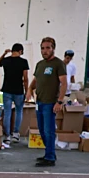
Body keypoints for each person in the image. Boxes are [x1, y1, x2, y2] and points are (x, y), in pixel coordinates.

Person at [26, 37, 67, 167]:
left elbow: (64, 83)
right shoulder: (40, 64)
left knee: (49, 131)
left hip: (50, 103)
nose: (45, 51)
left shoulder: (58, 64)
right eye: (43, 48)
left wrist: (59, 102)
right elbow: (36, 80)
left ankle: (50, 157)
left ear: (53, 48)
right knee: (42, 131)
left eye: (48, 48)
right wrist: (29, 89)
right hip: (40, 102)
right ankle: (49, 153)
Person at [0, 44, 29, 145]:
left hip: (6, 90)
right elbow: (25, 79)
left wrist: (4, 53)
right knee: (19, 111)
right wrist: (27, 91)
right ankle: (15, 133)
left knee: (7, 112)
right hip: (18, 90)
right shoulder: (23, 62)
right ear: (20, 51)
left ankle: (7, 136)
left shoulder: (6, 60)